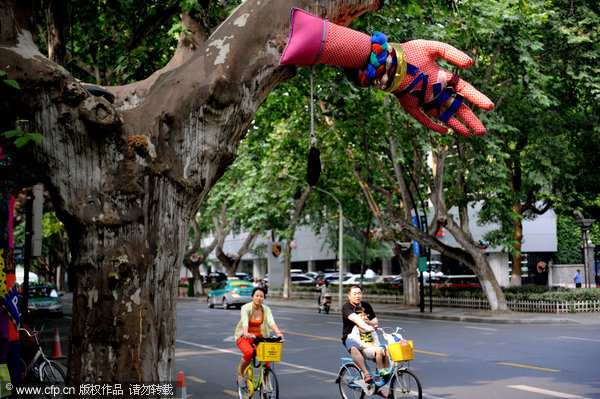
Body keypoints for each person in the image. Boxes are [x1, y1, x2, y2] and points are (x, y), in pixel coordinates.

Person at [234, 287, 283, 388]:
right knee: (249, 352)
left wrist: (278, 332)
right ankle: (241, 374)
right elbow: (245, 320)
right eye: (257, 296)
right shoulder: (246, 308)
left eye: (261, 296)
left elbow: (271, 321)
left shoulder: (266, 309)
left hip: (259, 337)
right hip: (244, 336)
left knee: (267, 354)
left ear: (264, 298)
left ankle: (266, 381)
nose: (259, 298)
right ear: (252, 297)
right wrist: (246, 332)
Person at [342, 285, 379, 386]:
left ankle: (378, 383)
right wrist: (367, 326)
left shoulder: (366, 306)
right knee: (354, 348)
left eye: (359, 293)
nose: (357, 296)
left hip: (368, 336)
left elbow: (375, 321)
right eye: (354, 294)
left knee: (382, 353)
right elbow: (356, 319)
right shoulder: (347, 307)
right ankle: (366, 374)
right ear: (349, 296)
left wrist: (369, 323)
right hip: (351, 336)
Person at [346, 307, 389, 378]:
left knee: (386, 349)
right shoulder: (356, 329)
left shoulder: (370, 328)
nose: (364, 317)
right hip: (364, 349)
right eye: (361, 316)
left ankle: (386, 369)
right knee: (379, 350)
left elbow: (376, 340)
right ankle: (381, 370)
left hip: (373, 348)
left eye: (365, 315)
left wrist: (378, 347)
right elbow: (358, 342)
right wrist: (373, 348)